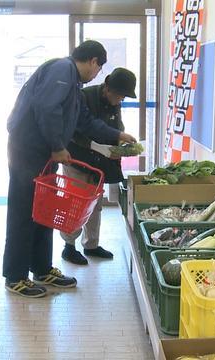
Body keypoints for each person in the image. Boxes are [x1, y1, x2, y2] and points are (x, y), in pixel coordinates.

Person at [4, 40, 137, 298]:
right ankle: (15, 276)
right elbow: (46, 107)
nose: (96, 75)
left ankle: (41, 269)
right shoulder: (63, 70)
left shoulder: (74, 85)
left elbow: (84, 122)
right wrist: (56, 145)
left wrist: (118, 135)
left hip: (43, 154)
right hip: (28, 151)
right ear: (93, 61)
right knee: (23, 211)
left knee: (43, 211)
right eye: (98, 69)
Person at [60, 67, 137, 265]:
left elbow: (115, 127)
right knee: (75, 205)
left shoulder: (114, 103)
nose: (121, 101)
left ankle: (91, 245)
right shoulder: (84, 97)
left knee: (95, 205)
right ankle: (69, 247)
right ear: (108, 89)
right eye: (120, 96)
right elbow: (74, 132)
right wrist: (97, 146)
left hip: (99, 162)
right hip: (76, 159)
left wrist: (120, 143)